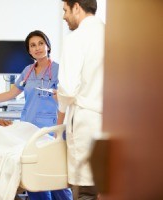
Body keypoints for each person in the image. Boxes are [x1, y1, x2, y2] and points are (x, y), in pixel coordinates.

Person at [0, 30, 72, 200]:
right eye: (33, 45)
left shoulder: (59, 70)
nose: (37, 48)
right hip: (28, 130)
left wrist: (58, 132)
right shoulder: (27, 71)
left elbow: (65, 102)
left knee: (55, 178)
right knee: (33, 177)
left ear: (48, 46)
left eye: (41, 43)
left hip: (50, 130)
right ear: (29, 51)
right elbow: (10, 94)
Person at [56, 0, 105, 199]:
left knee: (84, 186)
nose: (63, 16)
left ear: (77, 7)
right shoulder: (112, 33)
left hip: (85, 119)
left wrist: (60, 114)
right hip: (111, 121)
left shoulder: (75, 38)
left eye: (65, 10)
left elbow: (68, 88)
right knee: (102, 183)